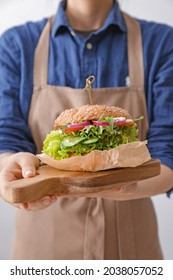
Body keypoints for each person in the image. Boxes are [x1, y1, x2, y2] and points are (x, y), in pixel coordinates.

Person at [0, 0, 173, 260]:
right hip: (43, 249)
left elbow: (168, 148)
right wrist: (11, 167)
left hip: (131, 252)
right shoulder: (17, 44)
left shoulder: (160, 42)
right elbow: (7, 136)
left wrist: (131, 187)